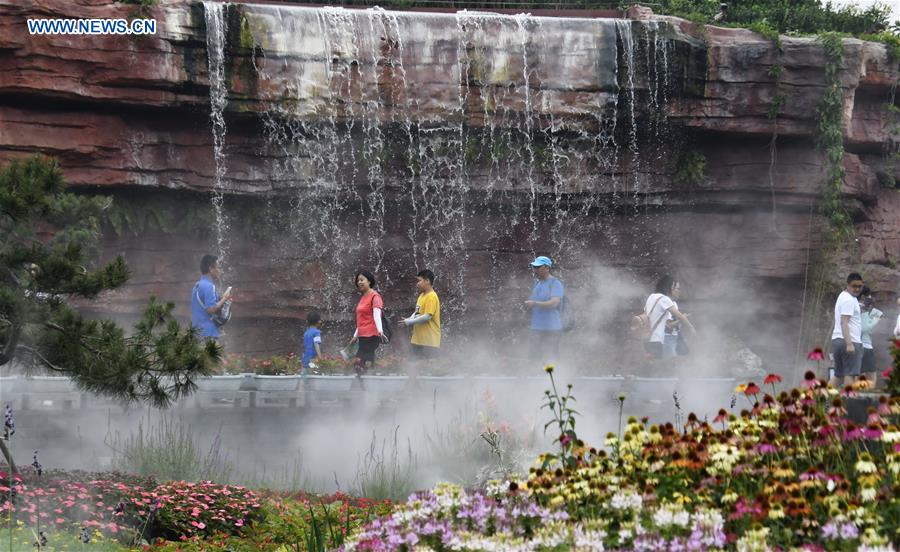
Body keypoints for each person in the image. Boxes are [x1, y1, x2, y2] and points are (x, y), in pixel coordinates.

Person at [399, 269, 441, 378]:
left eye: (419, 281)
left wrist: (409, 322)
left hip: (428, 340)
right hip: (418, 339)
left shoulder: (432, 296)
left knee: (426, 369)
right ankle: (413, 388)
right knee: (412, 365)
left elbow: (427, 316)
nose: (417, 284)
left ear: (427, 281)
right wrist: (408, 319)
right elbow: (417, 312)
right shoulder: (422, 296)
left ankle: (427, 391)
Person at [524, 256, 564, 365]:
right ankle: (535, 379)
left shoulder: (555, 284)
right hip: (536, 327)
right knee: (534, 358)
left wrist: (535, 304)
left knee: (550, 357)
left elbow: (555, 302)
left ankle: (553, 379)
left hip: (552, 328)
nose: (535, 269)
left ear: (546, 267)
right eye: (534, 267)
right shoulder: (537, 283)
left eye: (538, 267)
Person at [644, 276, 695, 359]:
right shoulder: (664, 299)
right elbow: (679, 317)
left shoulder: (651, 297)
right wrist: (691, 327)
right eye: (677, 288)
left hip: (650, 338)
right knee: (669, 367)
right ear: (669, 287)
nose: (679, 292)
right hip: (661, 340)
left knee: (657, 367)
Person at [348, 270, 386, 376]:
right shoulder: (364, 297)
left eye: (362, 280)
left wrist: (380, 331)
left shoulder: (375, 297)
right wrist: (355, 335)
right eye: (358, 280)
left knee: (362, 359)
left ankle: (366, 382)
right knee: (364, 359)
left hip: (372, 334)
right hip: (363, 335)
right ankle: (367, 382)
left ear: (369, 281)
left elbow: (376, 315)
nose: (359, 282)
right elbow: (362, 319)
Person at [830, 273, 864, 387]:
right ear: (848, 285)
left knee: (838, 375)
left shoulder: (843, 296)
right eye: (854, 286)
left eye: (860, 286)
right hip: (850, 341)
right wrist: (849, 344)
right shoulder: (849, 300)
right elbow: (844, 322)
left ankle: (821, 401)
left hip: (837, 340)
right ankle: (848, 404)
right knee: (850, 375)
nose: (857, 289)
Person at [190, 254, 232, 341]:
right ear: (211, 269)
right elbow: (211, 309)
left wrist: (219, 298)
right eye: (218, 267)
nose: (219, 270)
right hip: (208, 333)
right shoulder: (209, 286)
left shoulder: (197, 285)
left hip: (196, 330)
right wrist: (224, 298)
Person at [859, 287, 883, 387]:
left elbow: (869, 329)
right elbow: (864, 328)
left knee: (863, 372)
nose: (870, 298)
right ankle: (865, 395)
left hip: (864, 343)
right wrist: (876, 318)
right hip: (863, 344)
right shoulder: (859, 307)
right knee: (870, 373)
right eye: (869, 295)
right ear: (863, 296)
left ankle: (864, 394)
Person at [301, 311, 323, 377]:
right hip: (313, 359)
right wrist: (320, 357)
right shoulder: (316, 332)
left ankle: (301, 387)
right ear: (319, 321)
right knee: (315, 377)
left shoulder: (306, 333)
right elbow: (316, 345)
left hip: (305, 359)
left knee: (304, 379)